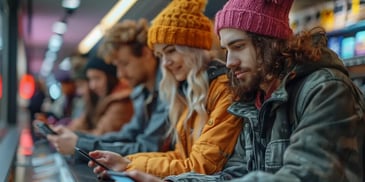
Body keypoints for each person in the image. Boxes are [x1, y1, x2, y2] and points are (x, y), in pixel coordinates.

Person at [98, 0, 365, 181]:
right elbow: (234, 172)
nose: (229, 62)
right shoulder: (253, 101)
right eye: (226, 50)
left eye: (238, 46)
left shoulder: (325, 91)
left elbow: (302, 176)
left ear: (269, 42)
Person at [89, 0, 242, 178]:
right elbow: (180, 156)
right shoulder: (191, 92)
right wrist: (128, 162)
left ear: (193, 47)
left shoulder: (224, 90)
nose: (166, 63)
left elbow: (200, 167)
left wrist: (130, 165)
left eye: (171, 51)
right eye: (161, 55)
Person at [46, 18, 170, 161]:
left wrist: (79, 144)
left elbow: (149, 147)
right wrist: (77, 137)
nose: (120, 74)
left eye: (125, 64)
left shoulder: (168, 91)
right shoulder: (141, 92)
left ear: (146, 53)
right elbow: (127, 135)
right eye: (117, 66)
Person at [66, 56, 134, 135]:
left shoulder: (122, 100)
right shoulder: (102, 97)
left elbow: (102, 134)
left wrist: (71, 137)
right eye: (90, 79)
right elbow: (82, 122)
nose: (92, 86)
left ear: (110, 77)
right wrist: (65, 131)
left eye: (97, 78)